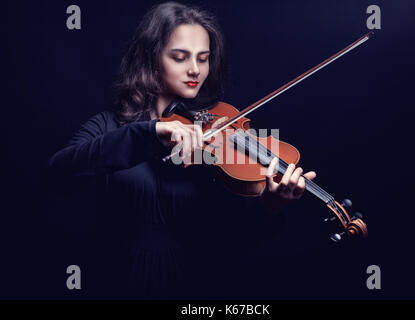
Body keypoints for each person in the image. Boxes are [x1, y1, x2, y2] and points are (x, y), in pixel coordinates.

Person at [47, 1, 316, 298]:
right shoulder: (110, 126)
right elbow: (59, 170)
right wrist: (148, 133)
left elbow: (231, 241)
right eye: (179, 57)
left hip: (197, 286)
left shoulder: (217, 128)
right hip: (114, 280)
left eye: (203, 59)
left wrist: (270, 206)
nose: (194, 70)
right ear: (151, 59)